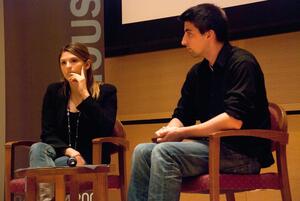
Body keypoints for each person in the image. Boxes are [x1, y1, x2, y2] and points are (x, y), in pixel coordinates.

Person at [128, 3, 274, 201]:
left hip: (243, 154)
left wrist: (181, 133)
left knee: (165, 153)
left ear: (209, 34)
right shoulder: (198, 73)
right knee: (142, 151)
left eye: (189, 33)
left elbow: (233, 120)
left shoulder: (242, 63)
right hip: (211, 148)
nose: (183, 41)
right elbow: (182, 114)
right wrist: (169, 130)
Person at [29, 42, 117, 200]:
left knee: (50, 167)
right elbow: (47, 133)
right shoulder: (54, 92)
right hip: (63, 156)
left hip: (91, 159)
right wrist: (71, 152)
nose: (68, 66)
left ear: (87, 64)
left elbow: (106, 128)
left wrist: (84, 94)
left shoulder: (106, 92)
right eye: (63, 62)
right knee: (38, 148)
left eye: (74, 61)